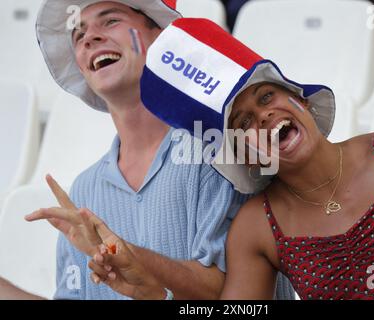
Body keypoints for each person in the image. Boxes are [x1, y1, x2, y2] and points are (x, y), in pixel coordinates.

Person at [86, 17, 374, 300]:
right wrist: (153, 292)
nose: (262, 116)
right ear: (244, 155)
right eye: (243, 122)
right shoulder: (257, 225)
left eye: (266, 97)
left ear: (301, 99)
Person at [0, 1, 293, 300]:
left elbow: (235, 297)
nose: (89, 37)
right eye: (78, 35)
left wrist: (125, 254)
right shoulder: (83, 191)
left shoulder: (218, 150)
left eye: (110, 21)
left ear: (160, 38)